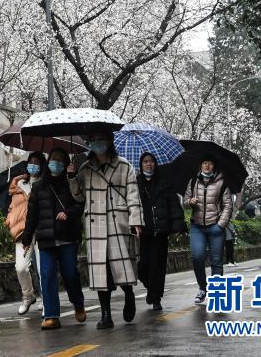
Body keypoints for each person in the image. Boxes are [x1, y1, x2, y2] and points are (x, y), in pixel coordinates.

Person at [67, 132, 143, 330]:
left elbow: (133, 195)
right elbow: (78, 197)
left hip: (118, 221)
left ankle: (128, 294)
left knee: (122, 267)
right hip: (95, 225)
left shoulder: (124, 166)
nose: (97, 144)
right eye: (93, 140)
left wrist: (136, 221)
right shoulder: (85, 169)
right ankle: (106, 314)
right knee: (102, 272)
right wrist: (71, 177)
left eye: (101, 140)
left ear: (109, 142)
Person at [21, 149, 86, 329]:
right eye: (53, 160)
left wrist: (68, 213)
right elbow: (31, 216)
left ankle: (78, 303)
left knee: (70, 274)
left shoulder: (71, 183)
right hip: (46, 239)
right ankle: (51, 316)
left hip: (68, 238)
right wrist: (26, 240)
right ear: (48, 163)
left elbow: (81, 205)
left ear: (66, 164)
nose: (55, 164)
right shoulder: (39, 186)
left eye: (60, 161)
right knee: (47, 275)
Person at [135, 152, 186, 311]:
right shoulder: (135, 184)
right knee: (142, 267)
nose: (149, 164)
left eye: (151, 162)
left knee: (157, 266)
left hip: (161, 231)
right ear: (141, 164)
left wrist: (177, 224)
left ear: (155, 164)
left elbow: (174, 205)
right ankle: (151, 289)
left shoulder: (164, 183)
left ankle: (156, 298)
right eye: (145, 162)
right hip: (143, 232)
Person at [183, 156, 233, 306]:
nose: (207, 166)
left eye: (210, 163)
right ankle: (202, 289)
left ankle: (217, 292)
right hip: (197, 226)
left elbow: (228, 205)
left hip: (215, 227)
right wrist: (189, 202)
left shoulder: (222, 182)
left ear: (214, 166)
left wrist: (220, 225)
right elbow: (185, 202)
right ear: (200, 164)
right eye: (204, 162)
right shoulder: (193, 181)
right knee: (197, 257)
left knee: (216, 261)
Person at [4, 152, 45, 317]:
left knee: (43, 269)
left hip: (41, 230)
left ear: (42, 166)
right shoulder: (19, 184)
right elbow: (13, 207)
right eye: (30, 162)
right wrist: (10, 218)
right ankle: (28, 296)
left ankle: (46, 299)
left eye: (36, 162)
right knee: (20, 268)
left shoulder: (45, 183)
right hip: (23, 231)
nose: (33, 165)